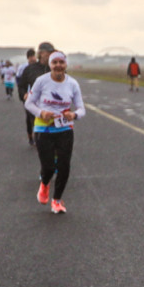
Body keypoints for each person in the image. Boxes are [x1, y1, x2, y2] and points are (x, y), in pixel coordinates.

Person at [24, 51, 85, 214]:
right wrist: (41, 113)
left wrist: (74, 115)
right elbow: (29, 104)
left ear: (66, 65)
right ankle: (44, 185)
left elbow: (81, 108)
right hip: (43, 128)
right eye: (55, 62)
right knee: (49, 167)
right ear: (50, 65)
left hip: (65, 128)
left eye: (61, 62)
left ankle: (57, 201)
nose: (58, 65)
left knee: (64, 166)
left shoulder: (72, 84)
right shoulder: (41, 81)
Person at [18, 43, 54, 146]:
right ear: (41, 53)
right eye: (49, 52)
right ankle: (33, 138)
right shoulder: (30, 69)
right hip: (35, 106)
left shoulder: (56, 68)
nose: (51, 55)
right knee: (37, 129)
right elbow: (21, 86)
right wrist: (24, 94)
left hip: (52, 105)